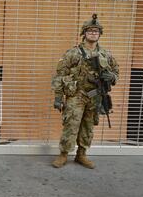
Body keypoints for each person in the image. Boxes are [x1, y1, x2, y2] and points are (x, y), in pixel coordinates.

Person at [51, 14, 119, 169]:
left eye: (96, 31)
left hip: (95, 97)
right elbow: (60, 74)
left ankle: (81, 154)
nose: (93, 33)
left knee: (88, 126)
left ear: (100, 34)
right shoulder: (73, 53)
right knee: (71, 125)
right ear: (84, 33)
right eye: (90, 31)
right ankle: (63, 154)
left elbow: (116, 72)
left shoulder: (106, 55)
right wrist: (58, 97)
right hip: (77, 95)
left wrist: (112, 76)